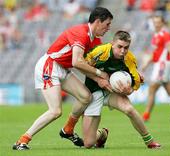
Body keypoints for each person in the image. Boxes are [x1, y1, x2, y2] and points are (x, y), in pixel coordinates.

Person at [12, 7, 113, 150]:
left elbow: (83, 64)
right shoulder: (81, 33)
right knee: (55, 111)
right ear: (97, 21)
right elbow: (77, 62)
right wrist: (99, 74)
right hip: (49, 65)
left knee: (86, 97)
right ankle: (22, 141)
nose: (109, 28)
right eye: (107, 24)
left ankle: (68, 129)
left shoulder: (95, 41)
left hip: (62, 68)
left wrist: (100, 78)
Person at [61, 30, 161, 149]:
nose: (123, 51)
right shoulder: (100, 51)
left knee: (129, 109)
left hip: (112, 93)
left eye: (126, 48)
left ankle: (149, 141)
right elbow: (82, 66)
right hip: (93, 93)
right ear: (112, 43)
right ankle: (102, 133)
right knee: (88, 143)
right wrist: (98, 79)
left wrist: (129, 90)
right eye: (119, 47)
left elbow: (136, 82)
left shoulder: (129, 59)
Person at [141, 15, 170, 125]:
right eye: (155, 22)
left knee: (152, 88)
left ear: (162, 23)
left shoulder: (165, 34)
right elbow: (154, 53)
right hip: (158, 64)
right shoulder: (156, 36)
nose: (156, 24)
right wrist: (146, 64)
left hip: (163, 65)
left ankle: (146, 115)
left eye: (158, 22)